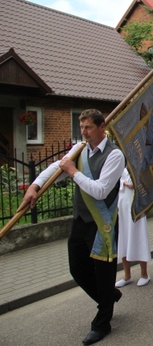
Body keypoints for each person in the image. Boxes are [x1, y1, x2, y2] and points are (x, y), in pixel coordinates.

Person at [18, 109, 125, 345]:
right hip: (80, 221)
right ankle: (108, 297)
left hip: (102, 224)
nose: (84, 132)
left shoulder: (115, 155)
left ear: (101, 127)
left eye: (88, 127)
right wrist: (35, 186)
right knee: (77, 269)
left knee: (103, 274)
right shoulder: (80, 149)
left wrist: (73, 172)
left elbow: (100, 190)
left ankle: (102, 322)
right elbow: (56, 168)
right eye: (82, 128)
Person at [115, 168, 151, 288]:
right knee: (123, 237)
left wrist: (134, 184)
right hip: (122, 201)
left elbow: (146, 180)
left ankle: (144, 274)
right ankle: (127, 275)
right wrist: (123, 183)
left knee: (139, 235)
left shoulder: (140, 160)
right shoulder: (120, 160)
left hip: (136, 203)